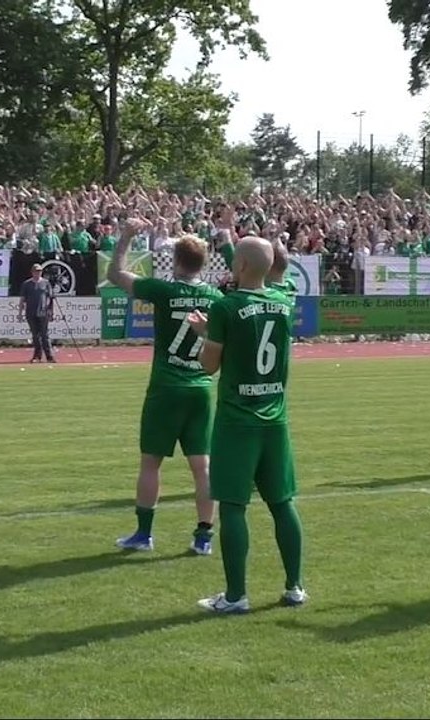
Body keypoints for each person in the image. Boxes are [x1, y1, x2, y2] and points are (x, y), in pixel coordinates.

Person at [187, 236, 306, 613]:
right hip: (275, 418)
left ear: (239, 267)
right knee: (282, 504)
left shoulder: (225, 307)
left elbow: (210, 366)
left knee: (234, 506)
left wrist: (204, 334)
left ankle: (236, 596)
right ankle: (294, 587)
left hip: (238, 419)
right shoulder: (284, 303)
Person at [106, 219, 221, 556]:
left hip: (166, 386)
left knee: (151, 463)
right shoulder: (215, 296)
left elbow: (116, 274)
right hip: (200, 386)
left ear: (176, 262)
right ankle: (203, 538)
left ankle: (144, 534)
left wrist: (126, 237)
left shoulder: (165, 291)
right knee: (203, 468)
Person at [19, 263, 57, 364]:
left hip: (43, 312)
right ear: (32, 272)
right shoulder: (26, 284)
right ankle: (37, 356)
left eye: (39, 271)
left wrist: (51, 311)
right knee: (35, 336)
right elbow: (22, 299)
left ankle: (49, 356)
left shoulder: (46, 283)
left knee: (45, 335)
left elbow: (51, 298)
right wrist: (20, 312)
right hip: (31, 312)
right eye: (36, 271)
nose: (38, 273)